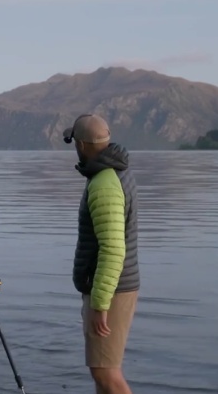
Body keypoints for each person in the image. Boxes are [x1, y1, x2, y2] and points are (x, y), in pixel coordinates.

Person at [63, 113, 139, 394]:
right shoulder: (113, 172)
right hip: (114, 286)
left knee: (105, 372)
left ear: (81, 145)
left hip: (112, 289)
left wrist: (100, 304)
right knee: (102, 371)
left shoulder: (104, 184)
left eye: (74, 142)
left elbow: (113, 249)